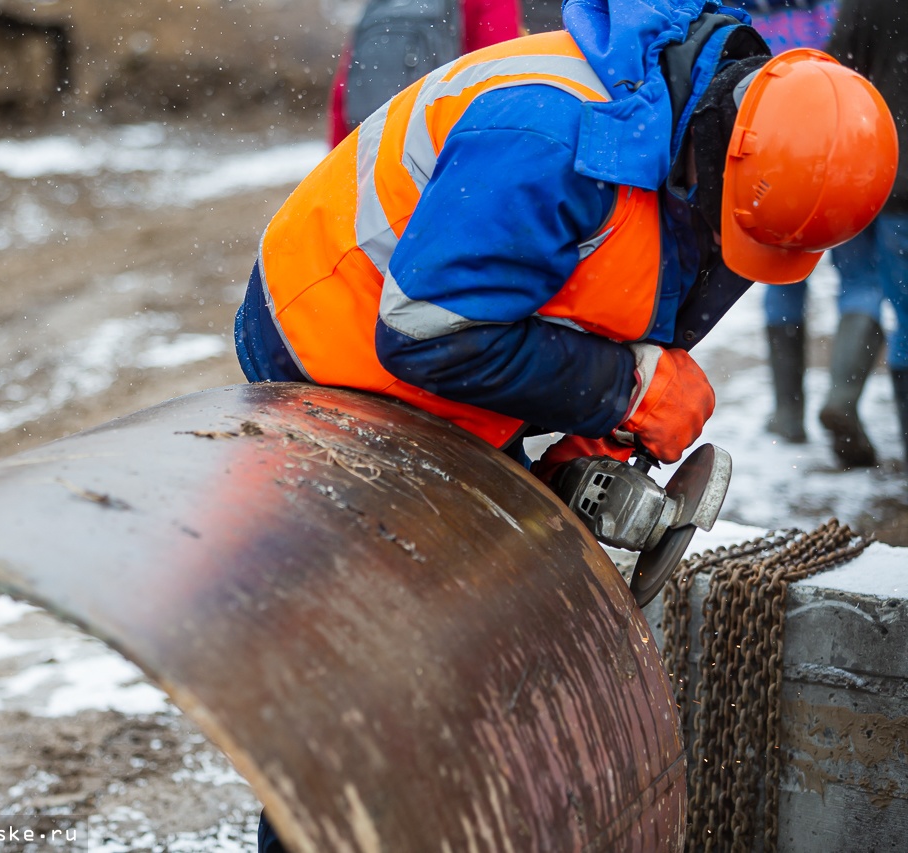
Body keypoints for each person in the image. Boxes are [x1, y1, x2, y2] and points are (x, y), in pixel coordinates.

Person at [233, 0, 896, 842]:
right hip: (335, 349)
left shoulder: (736, 156)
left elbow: (642, 300)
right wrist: (626, 388)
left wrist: (595, 440)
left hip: (461, 335)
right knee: (370, 669)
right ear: (723, 152)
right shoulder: (550, 136)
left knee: (479, 642)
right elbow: (426, 338)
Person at [729, 0, 888, 467]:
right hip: (844, 156)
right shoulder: (840, 10)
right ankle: (841, 400)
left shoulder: (751, 15)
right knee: (860, 281)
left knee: (783, 282)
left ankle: (788, 414)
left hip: (776, 164)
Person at [828, 0, 908, 473]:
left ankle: (841, 397)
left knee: (858, 289)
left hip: (859, 178)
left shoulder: (863, 4)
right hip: (906, 192)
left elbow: (835, 76)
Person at [327, 0, 525, 148]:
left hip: (372, 150)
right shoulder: (489, 3)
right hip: (442, 154)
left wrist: (339, 157)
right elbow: (500, 76)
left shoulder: (382, 5)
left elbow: (344, 90)